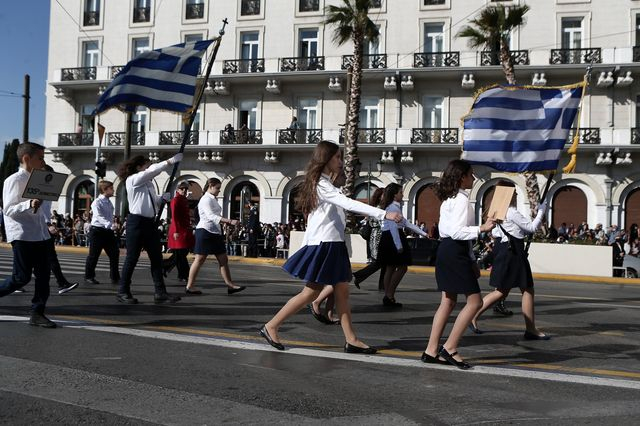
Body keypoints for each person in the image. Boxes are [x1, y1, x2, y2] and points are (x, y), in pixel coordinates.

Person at [258, 140, 403, 353]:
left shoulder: (325, 182)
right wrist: (384, 213)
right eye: (337, 157)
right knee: (310, 293)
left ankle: (351, 339)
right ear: (326, 159)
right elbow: (347, 204)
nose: (341, 161)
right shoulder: (321, 184)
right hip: (326, 244)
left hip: (332, 243)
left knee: (342, 292)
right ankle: (271, 326)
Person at [421, 159, 495, 369]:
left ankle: (431, 350)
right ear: (461, 177)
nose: (473, 178)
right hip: (454, 250)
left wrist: (471, 259)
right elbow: (457, 232)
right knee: (475, 302)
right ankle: (450, 347)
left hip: (449, 250)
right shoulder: (462, 200)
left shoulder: (450, 199)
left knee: (448, 301)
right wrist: (482, 228)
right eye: (470, 174)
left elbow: (457, 234)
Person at [469, 181, 550, 340]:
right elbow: (532, 228)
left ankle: (472, 316)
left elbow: (500, 235)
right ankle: (530, 329)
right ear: (508, 194)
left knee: (502, 291)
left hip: (504, 250)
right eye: (514, 192)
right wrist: (541, 210)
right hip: (513, 253)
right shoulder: (511, 212)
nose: (517, 194)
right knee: (526, 289)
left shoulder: (497, 211)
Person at [0, 142, 57, 327]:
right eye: (40, 158)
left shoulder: (38, 178)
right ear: (26, 158)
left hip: (40, 234)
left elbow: (41, 207)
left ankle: (37, 313)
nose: (43, 161)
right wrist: (29, 203)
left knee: (43, 276)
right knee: (20, 278)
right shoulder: (14, 180)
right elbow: (8, 209)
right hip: (23, 235)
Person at [115, 154, 183, 304]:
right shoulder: (133, 180)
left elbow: (151, 203)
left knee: (156, 258)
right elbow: (152, 171)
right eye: (147, 165)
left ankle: (160, 293)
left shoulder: (148, 184)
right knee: (132, 258)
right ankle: (123, 291)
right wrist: (169, 162)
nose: (149, 167)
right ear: (139, 167)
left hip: (149, 223)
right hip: (136, 223)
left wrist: (161, 199)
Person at [185, 177, 246, 295]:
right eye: (217, 188)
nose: (219, 190)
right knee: (199, 259)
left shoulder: (213, 199)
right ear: (210, 186)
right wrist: (229, 221)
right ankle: (190, 286)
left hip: (215, 232)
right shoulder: (205, 199)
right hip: (205, 231)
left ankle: (230, 285)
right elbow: (211, 216)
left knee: (223, 259)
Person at [377, 183, 427, 307]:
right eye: (400, 192)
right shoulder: (394, 208)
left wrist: (422, 233)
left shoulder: (390, 207)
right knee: (402, 267)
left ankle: (388, 296)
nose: (402, 194)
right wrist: (398, 245)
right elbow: (394, 227)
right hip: (394, 238)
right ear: (395, 195)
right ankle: (390, 295)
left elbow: (406, 223)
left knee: (390, 268)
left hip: (387, 238)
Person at [84, 180, 120, 285]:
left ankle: (115, 277)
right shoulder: (97, 202)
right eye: (111, 188)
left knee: (114, 254)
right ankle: (89, 276)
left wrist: (112, 225)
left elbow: (109, 216)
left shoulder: (109, 202)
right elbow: (98, 216)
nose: (113, 190)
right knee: (94, 255)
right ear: (105, 190)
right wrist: (110, 225)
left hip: (108, 231)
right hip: (97, 231)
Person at [352, 188, 386, 291]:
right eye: (384, 195)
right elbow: (377, 223)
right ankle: (359, 275)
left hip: (380, 237)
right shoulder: (378, 209)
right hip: (377, 237)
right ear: (380, 196)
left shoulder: (379, 207)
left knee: (384, 262)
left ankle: (383, 285)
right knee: (379, 262)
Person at [163, 180, 194, 282]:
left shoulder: (184, 200)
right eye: (182, 189)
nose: (184, 190)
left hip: (184, 230)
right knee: (180, 253)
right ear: (177, 189)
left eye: (186, 189)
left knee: (181, 253)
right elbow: (174, 217)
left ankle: (164, 266)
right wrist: (176, 231)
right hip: (177, 230)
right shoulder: (175, 200)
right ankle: (184, 274)